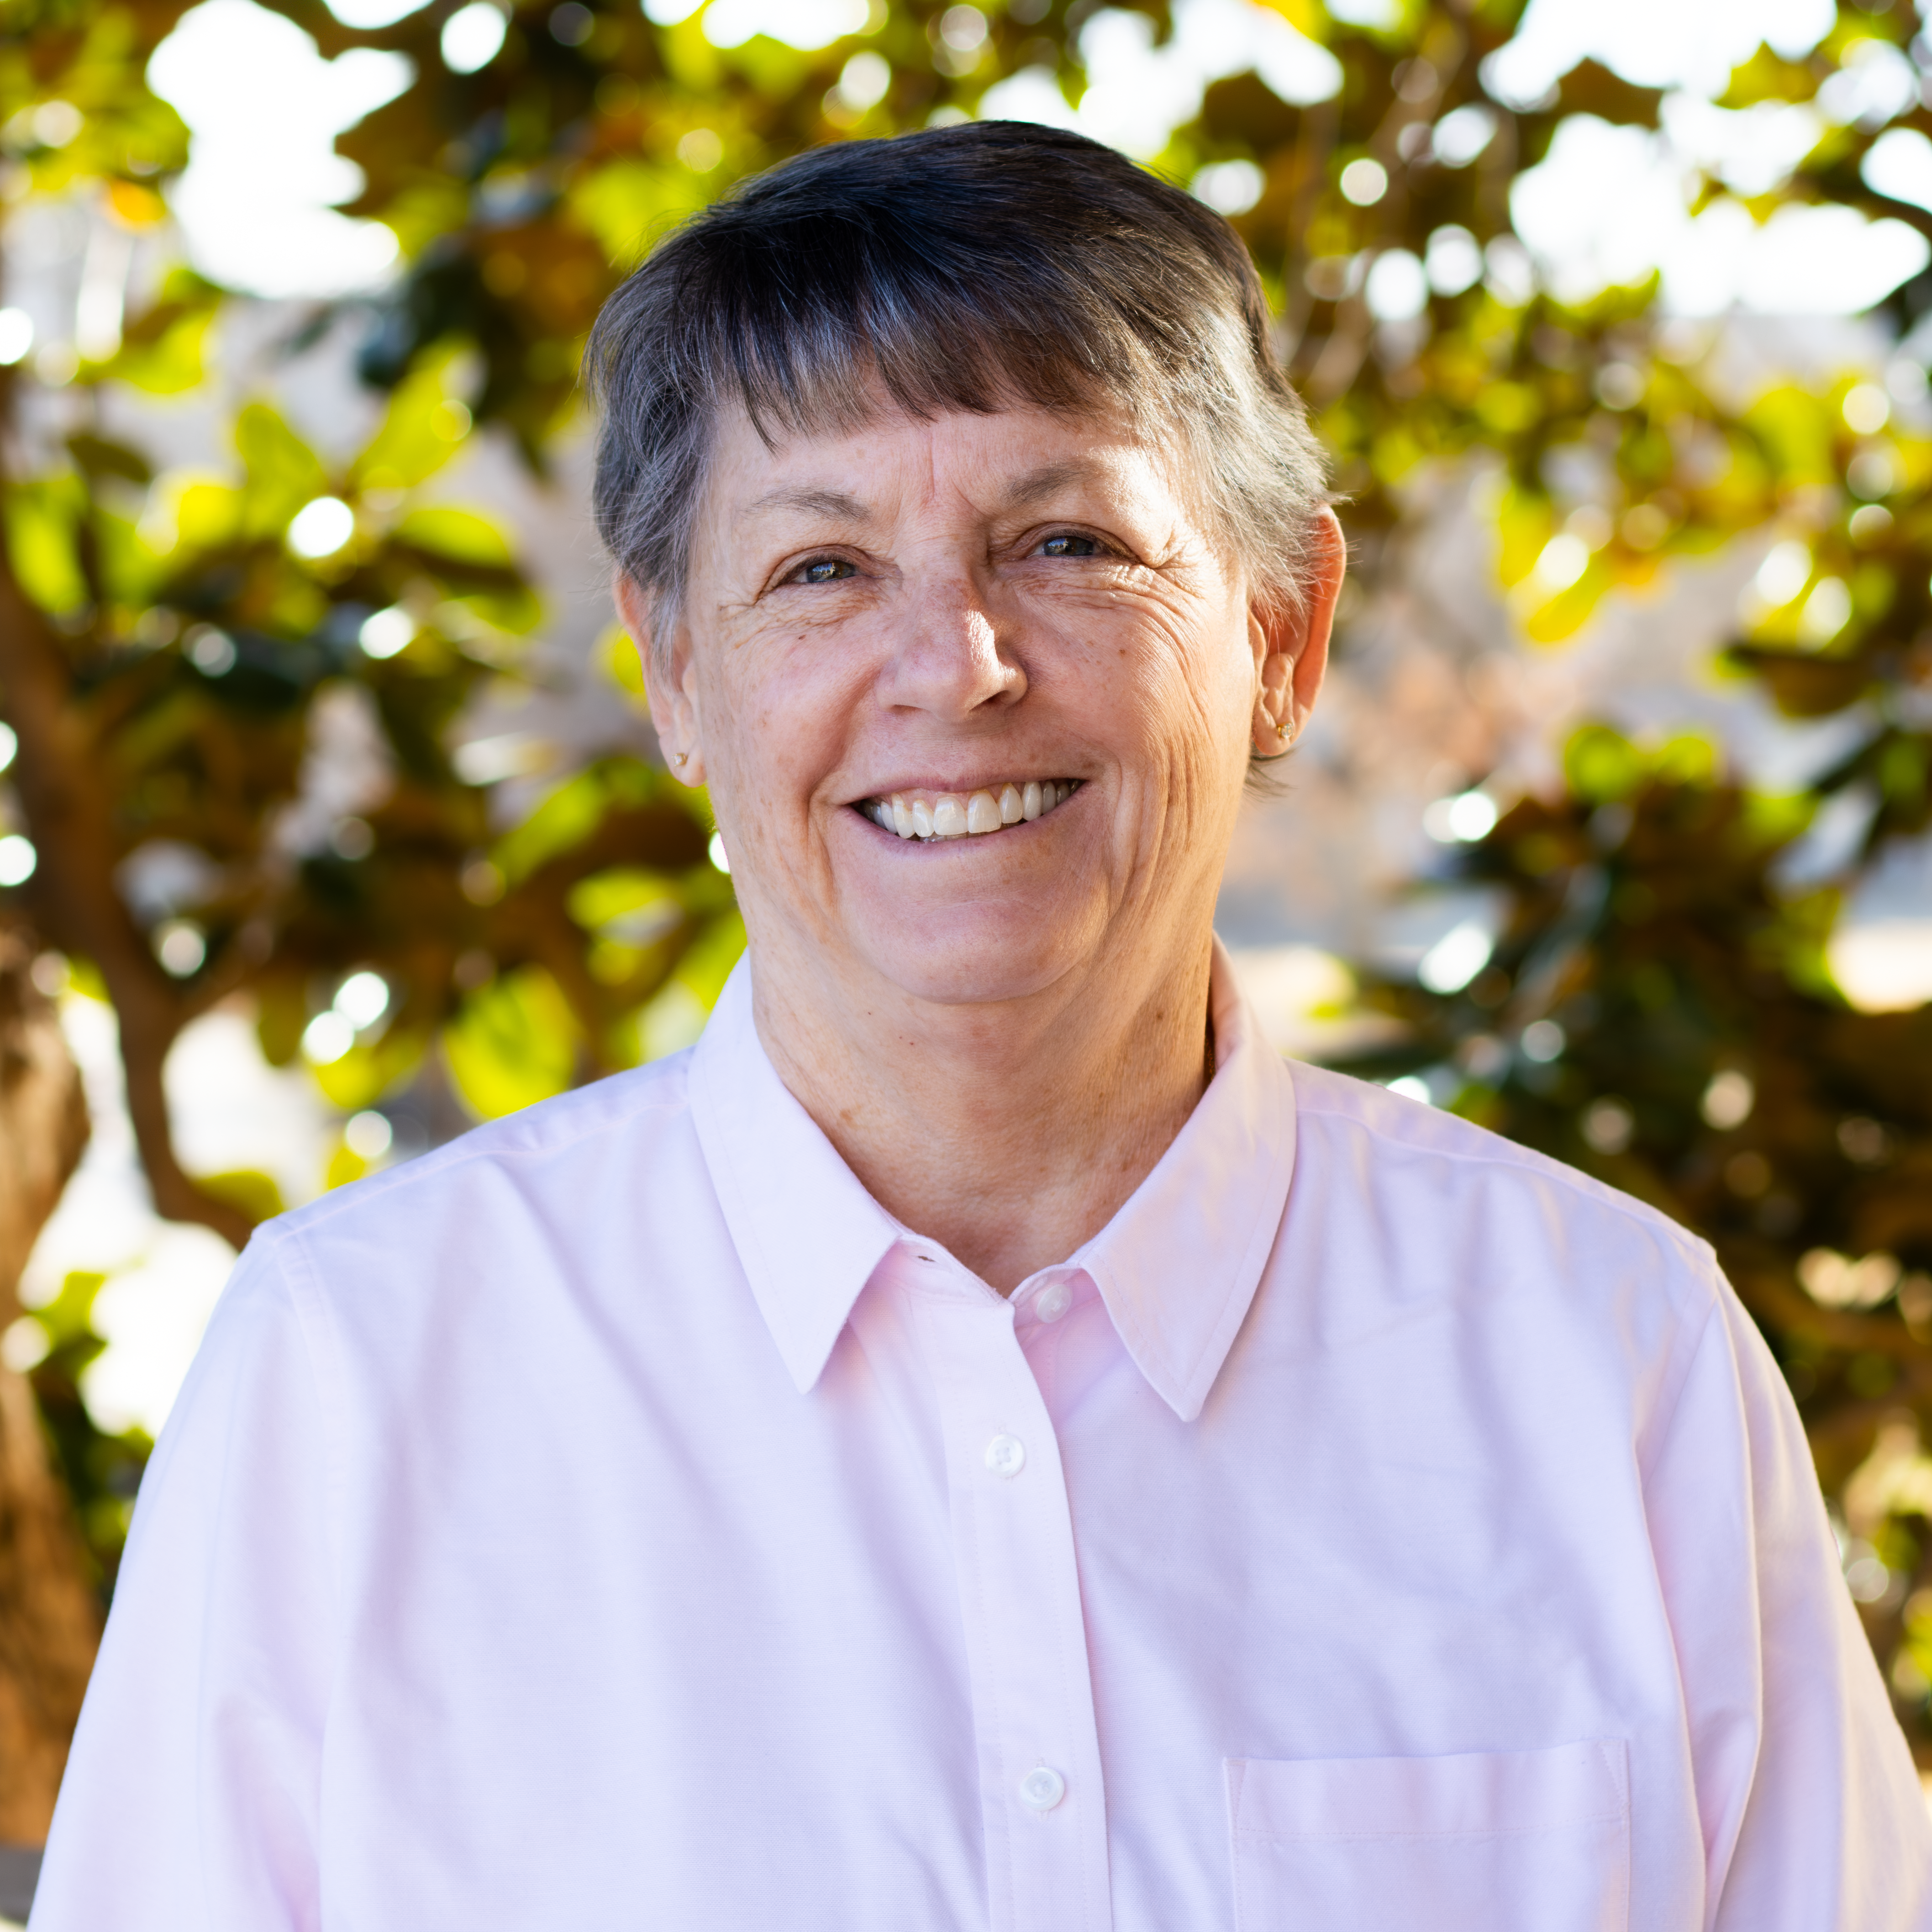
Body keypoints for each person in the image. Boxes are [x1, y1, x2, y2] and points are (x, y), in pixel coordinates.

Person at [28, 122, 1932, 1932]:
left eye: (1068, 544)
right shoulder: (351, 1376)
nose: (956, 668)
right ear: (675, 670)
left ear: (1281, 630)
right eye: (821, 568)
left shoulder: (1610, 1359)